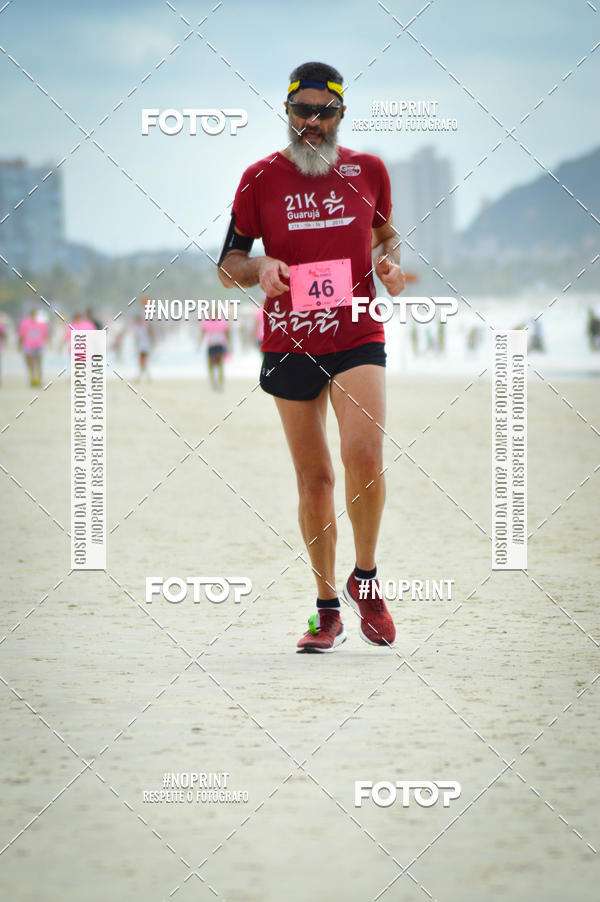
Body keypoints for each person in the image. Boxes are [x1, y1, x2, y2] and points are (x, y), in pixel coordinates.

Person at [218, 61, 406, 653]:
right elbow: (228, 265)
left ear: (341, 114)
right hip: (288, 339)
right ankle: (327, 609)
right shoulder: (258, 179)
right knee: (316, 478)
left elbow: (385, 234)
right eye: (303, 111)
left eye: (325, 112)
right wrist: (261, 268)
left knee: (365, 455)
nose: (313, 123)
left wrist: (390, 265)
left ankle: (365, 579)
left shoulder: (368, 170)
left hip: (355, 332)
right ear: (287, 111)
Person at [18, 308, 49, 386]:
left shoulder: (40, 323)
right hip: (31, 345)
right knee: (33, 364)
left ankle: (37, 379)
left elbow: (46, 334)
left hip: (36, 345)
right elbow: (21, 335)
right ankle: (34, 379)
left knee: (36, 364)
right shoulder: (25, 323)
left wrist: (19, 345)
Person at [199, 315, 229, 391]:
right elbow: (203, 333)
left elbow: (227, 333)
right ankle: (213, 383)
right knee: (211, 365)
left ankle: (220, 383)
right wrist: (200, 343)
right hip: (211, 345)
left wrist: (229, 344)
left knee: (220, 365)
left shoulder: (222, 321)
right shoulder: (206, 322)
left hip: (220, 344)